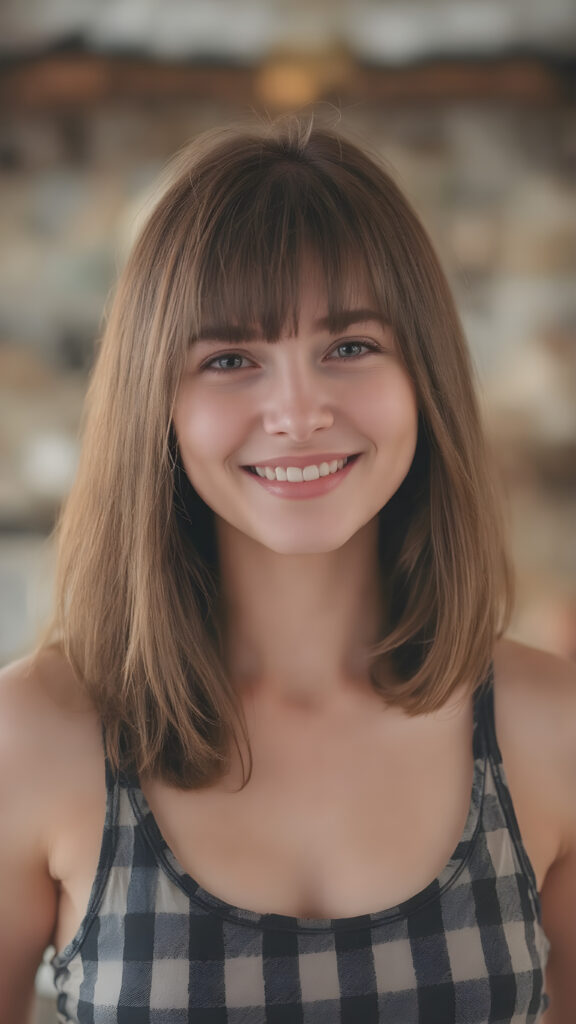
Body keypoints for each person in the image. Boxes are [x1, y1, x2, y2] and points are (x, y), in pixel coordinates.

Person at [0, 113, 574, 1024]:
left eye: (350, 347)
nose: (299, 413)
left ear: (425, 377)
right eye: (231, 359)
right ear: (156, 404)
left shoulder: (554, 727)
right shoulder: (32, 735)